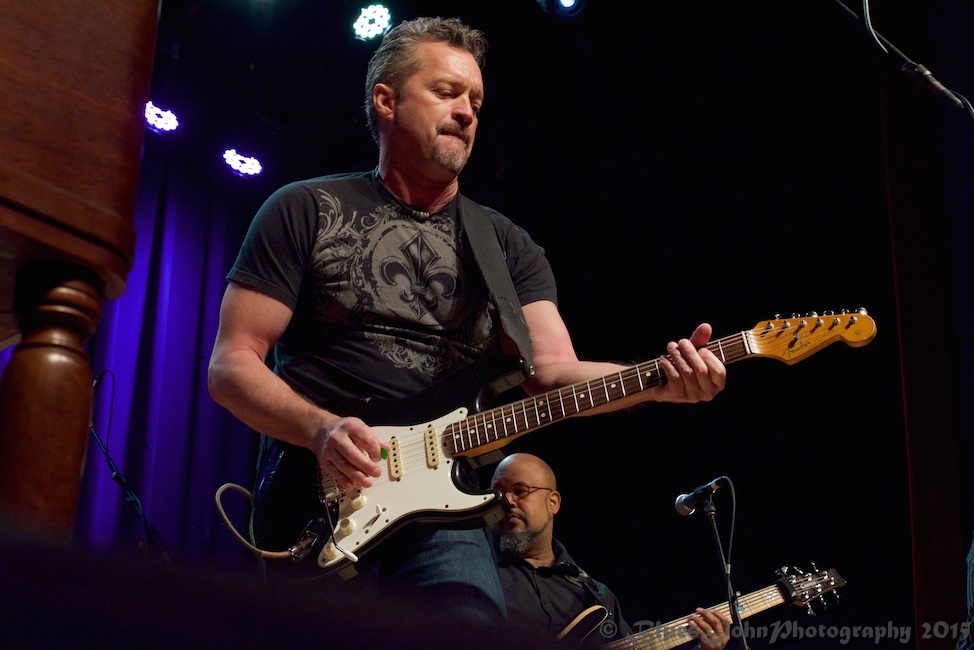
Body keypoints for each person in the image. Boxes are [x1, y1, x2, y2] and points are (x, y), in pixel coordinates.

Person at [207, 15, 726, 642]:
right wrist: (319, 431)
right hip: (319, 499)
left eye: (476, 100)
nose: (467, 112)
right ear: (386, 100)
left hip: (446, 509)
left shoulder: (507, 247)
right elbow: (232, 365)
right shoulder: (304, 208)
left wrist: (658, 384)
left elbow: (555, 375)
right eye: (447, 92)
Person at [490, 452, 730, 649]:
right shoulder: (477, 572)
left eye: (520, 491)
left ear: (553, 502)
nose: (507, 501)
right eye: (498, 494)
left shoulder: (595, 596)